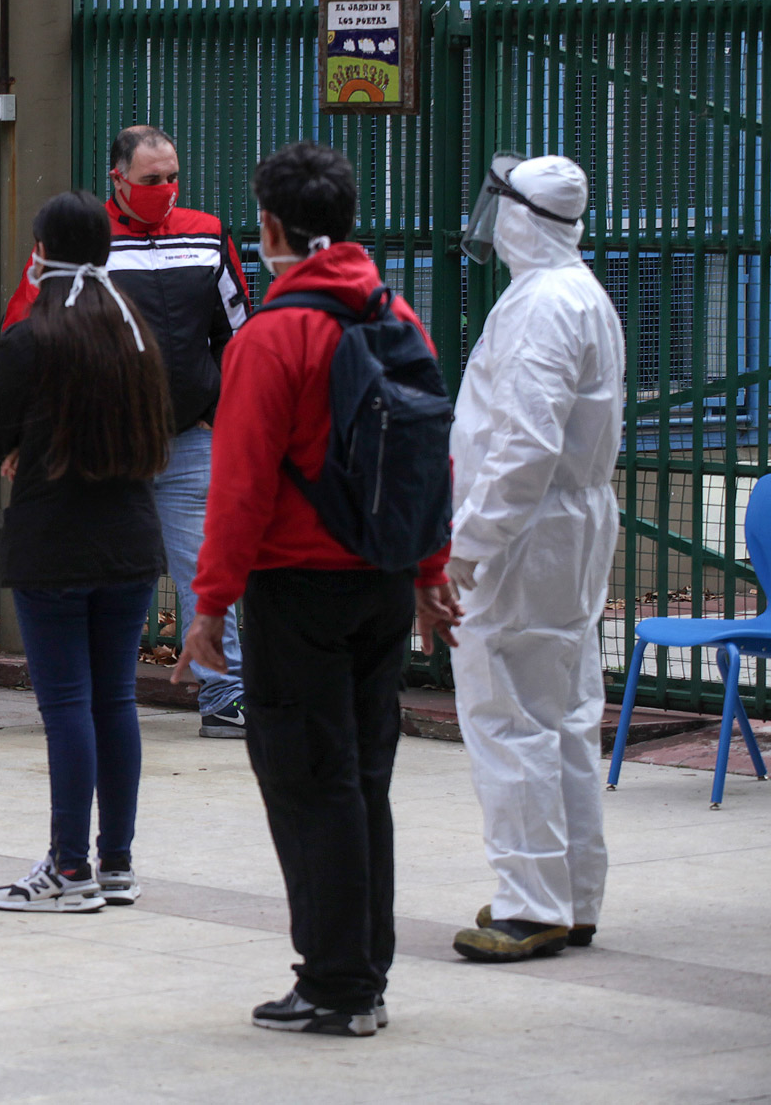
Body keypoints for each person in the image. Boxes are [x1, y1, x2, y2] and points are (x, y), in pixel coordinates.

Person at [180, 140, 458, 1037]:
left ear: (268, 226)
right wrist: (428, 573)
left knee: (308, 780)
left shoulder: (274, 335)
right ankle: (362, 973)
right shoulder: (397, 315)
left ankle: (337, 982)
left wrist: (209, 605)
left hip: (296, 586)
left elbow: (242, 484)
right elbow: (427, 459)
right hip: (381, 579)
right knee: (364, 776)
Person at [1, 126, 252, 738]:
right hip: (103, 445)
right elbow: (27, 331)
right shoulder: (80, 243)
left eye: (171, 178)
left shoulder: (208, 235)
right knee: (108, 568)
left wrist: (220, 413)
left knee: (200, 565)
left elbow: (240, 332)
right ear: (118, 179)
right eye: (150, 181)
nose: (164, 190)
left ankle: (224, 696)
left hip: (187, 439)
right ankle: (94, 694)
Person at [0, 191, 173, 912]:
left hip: (54, 544)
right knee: (115, 700)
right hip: (128, 543)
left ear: (41, 250)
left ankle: (69, 868)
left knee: (68, 708)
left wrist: (24, 444)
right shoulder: (133, 330)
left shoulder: (34, 335)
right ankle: (114, 862)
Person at [446, 155, 623, 963]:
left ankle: (528, 903)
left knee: (507, 711)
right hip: (572, 524)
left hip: (528, 534)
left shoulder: (543, 306)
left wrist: (468, 547)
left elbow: (521, 446)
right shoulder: (581, 291)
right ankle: (570, 894)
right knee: (565, 713)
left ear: (520, 216)